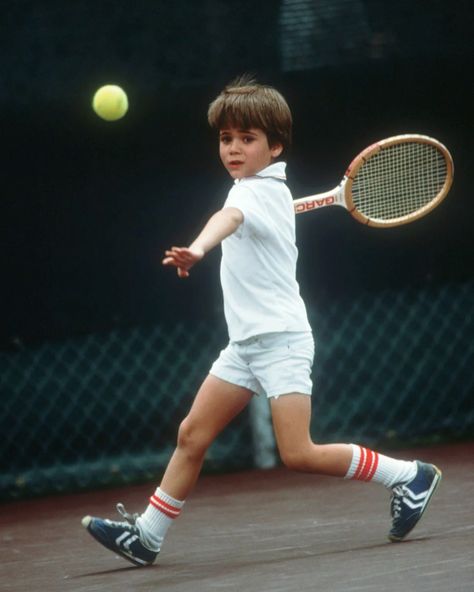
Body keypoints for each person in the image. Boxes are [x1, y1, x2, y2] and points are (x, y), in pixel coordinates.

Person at [82, 76, 441, 567]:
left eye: (247, 139)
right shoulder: (264, 192)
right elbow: (238, 215)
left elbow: (225, 220)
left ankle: (409, 476)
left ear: (274, 146)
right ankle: (148, 535)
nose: (233, 148)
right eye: (226, 138)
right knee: (192, 434)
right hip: (245, 347)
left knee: (298, 453)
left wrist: (198, 249)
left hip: (283, 343)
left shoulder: (248, 195)